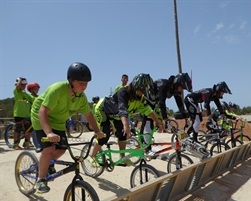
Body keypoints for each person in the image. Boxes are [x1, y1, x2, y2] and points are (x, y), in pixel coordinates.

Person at [31, 62, 105, 193]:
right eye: (81, 82)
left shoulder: (81, 98)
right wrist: (48, 133)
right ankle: (40, 179)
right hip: (41, 117)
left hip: (58, 121)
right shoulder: (58, 89)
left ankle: (48, 163)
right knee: (49, 149)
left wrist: (98, 131)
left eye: (86, 83)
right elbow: (42, 112)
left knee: (62, 150)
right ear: (71, 80)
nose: (84, 86)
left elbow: (89, 115)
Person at [91, 73, 164, 164]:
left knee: (122, 135)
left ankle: (122, 158)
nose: (142, 94)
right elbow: (122, 110)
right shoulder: (123, 92)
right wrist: (126, 125)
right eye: (141, 90)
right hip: (103, 110)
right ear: (135, 86)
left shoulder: (140, 98)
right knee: (104, 136)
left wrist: (157, 122)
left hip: (116, 115)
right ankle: (92, 157)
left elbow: (148, 111)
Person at [140, 73, 192, 153]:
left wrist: (186, 118)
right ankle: (146, 148)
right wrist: (165, 119)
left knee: (152, 122)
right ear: (177, 84)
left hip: (154, 101)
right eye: (182, 88)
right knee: (148, 121)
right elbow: (162, 103)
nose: (182, 90)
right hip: (147, 99)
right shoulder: (164, 85)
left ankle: (146, 141)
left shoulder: (175, 89)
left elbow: (180, 104)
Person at [13, 77, 35, 149]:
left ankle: (26, 143)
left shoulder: (26, 94)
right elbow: (18, 86)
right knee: (18, 128)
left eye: (25, 84)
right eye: (22, 84)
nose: (24, 86)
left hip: (26, 114)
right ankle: (16, 144)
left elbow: (34, 99)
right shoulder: (16, 91)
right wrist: (20, 80)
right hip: (19, 113)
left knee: (28, 128)